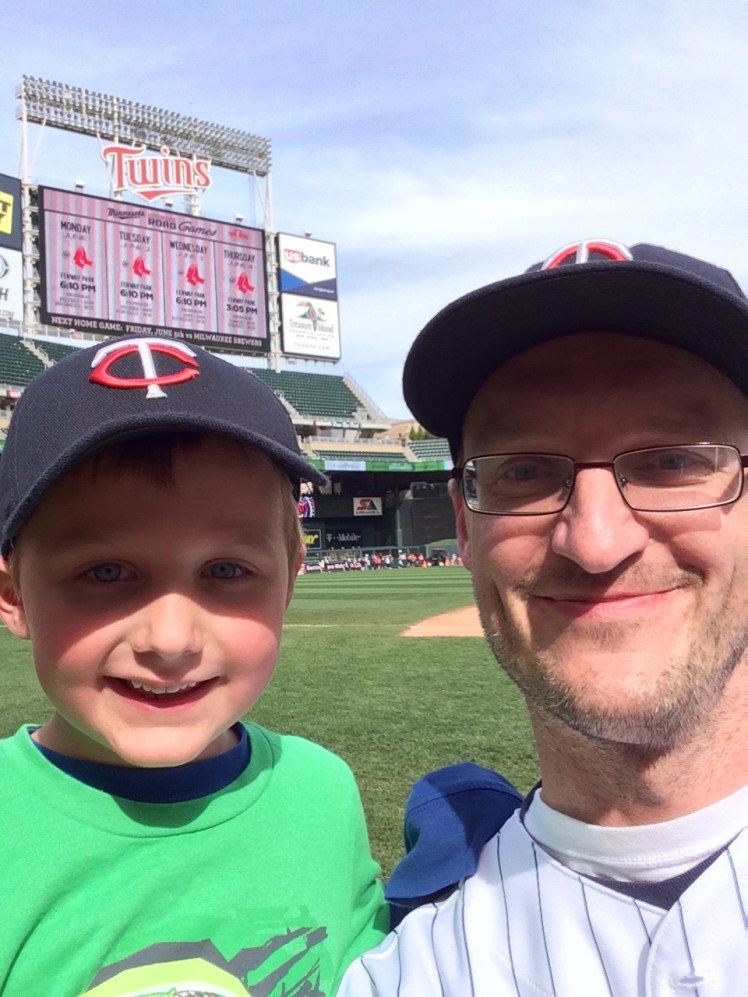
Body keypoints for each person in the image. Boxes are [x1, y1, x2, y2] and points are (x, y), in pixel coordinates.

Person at [339, 239, 748, 995]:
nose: (595, 542)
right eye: (523, 471)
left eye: (673, 461)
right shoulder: (410, 973)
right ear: (464, 527)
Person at [0, 335, 387, 996]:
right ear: (14, 596)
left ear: (288, 582)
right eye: (106, 572)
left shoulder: (322, 793)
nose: (171, 639)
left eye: (227, 570)